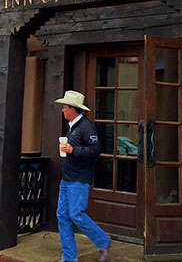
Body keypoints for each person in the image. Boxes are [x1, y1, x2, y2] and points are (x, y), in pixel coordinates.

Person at [55, 90, 111, 262]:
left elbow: (95, 151)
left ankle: (103, 241)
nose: (63, 110)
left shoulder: (86, 126)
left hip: (79, 178)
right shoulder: (71, 126)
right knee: (62, 215)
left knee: (75, 214)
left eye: (64, 108)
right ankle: (69, 257)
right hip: (67, 178)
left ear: (73, 109)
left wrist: (73, 150)